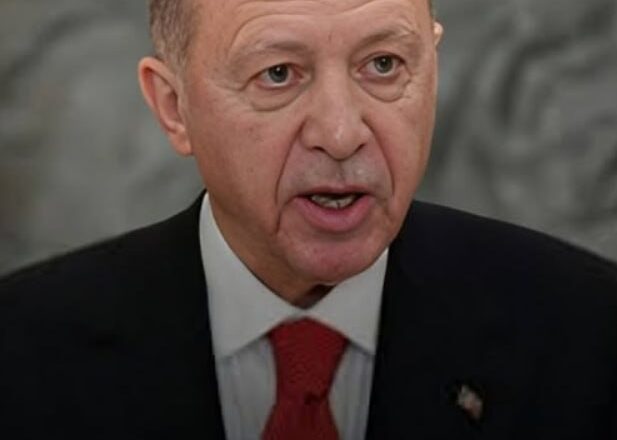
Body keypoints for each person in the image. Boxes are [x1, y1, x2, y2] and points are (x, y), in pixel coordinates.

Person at [1, 0, 616, 438]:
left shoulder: (592, 333)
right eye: (278, 74)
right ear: (174, 107)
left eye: (383, 64)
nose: (342, 134)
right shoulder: (21, 355)